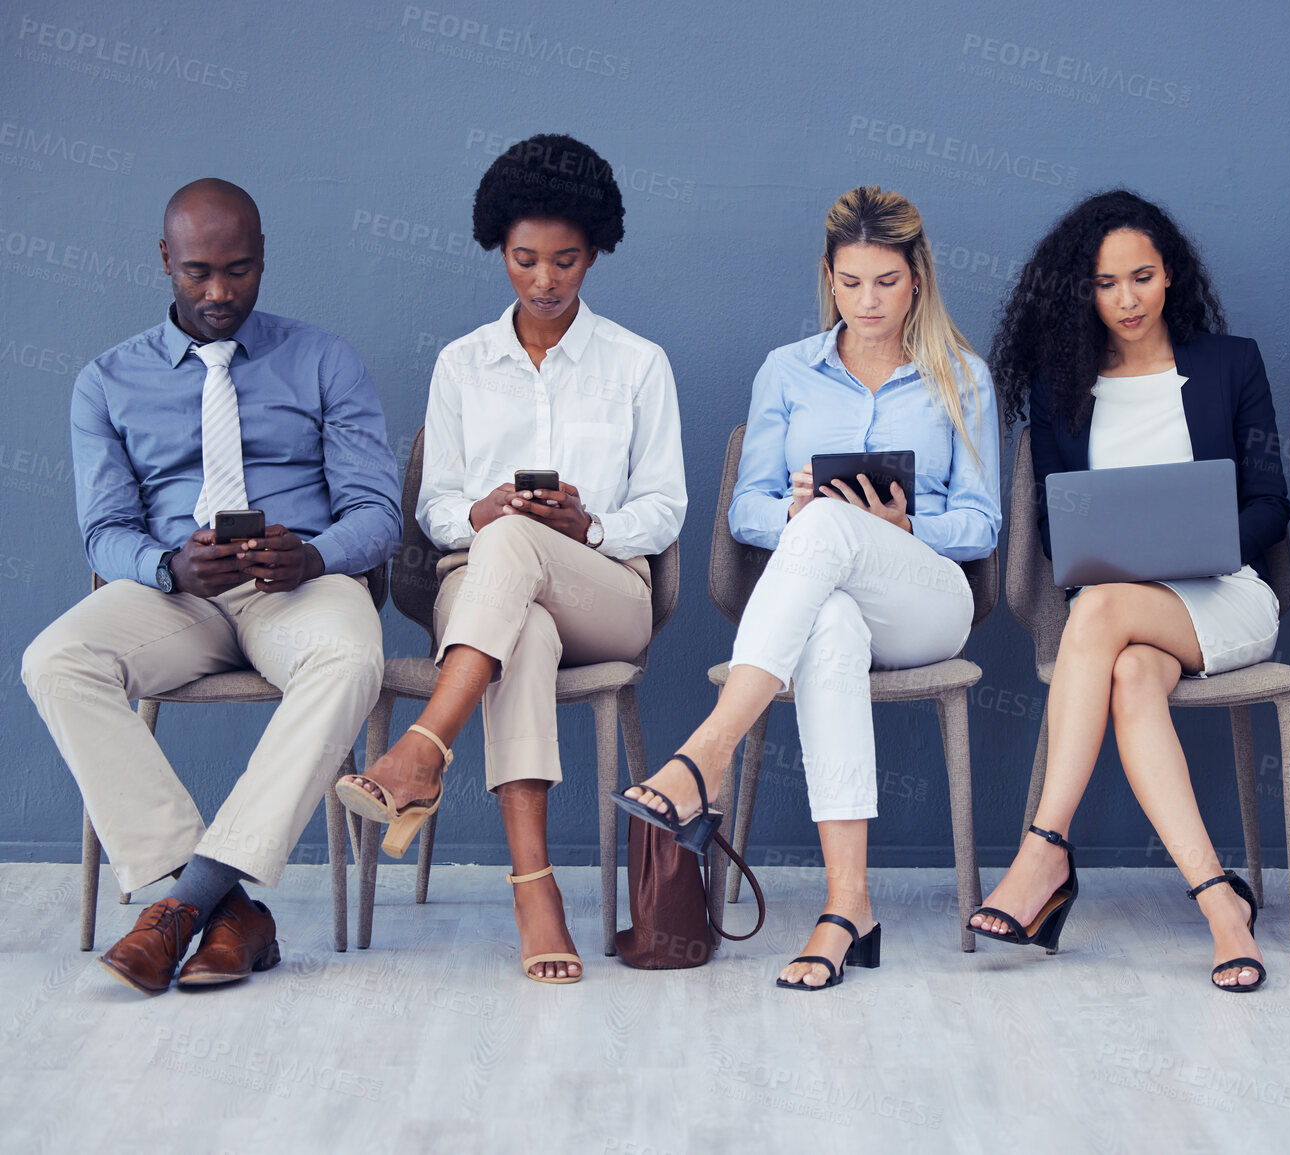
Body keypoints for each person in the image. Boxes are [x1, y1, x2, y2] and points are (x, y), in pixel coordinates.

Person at [613, 185, 999, 990]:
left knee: (825, 531)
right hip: (833, 597)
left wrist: (900, 528)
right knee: (824, 621)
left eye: (885, 282)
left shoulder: (961, 375)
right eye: (850, 282)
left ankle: (706, 753)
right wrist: (794, 512)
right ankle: (846, 903)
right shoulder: (785, 372)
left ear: (917, 279)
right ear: (827, 277)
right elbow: (745, 508)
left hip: (926, 602)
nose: (867, 301)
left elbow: (983, 522)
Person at [21, 179, 401, 995]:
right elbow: (104, 530)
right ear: (165, 260)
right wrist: (168, 566)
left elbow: (377, 511)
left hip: (297, 583)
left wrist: (314, 554)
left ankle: (184, 905)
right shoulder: (106, 381)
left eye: (240, 270)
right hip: (176, 592)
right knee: (56, 659)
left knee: (348, 657)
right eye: (197, 272)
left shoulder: (324, 359)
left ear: (264, 260)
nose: (220, 292)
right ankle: (230, 908)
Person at [336, 134, 685, 985]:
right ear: (500, 248)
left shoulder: (638, 364)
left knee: (519, 544)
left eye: (565, 260)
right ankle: (537, 893)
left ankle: (421, 753)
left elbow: (666, 507)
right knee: (516, 620)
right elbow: (434, 506)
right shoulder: (462, 364)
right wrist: (480, 512)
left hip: (606, 591)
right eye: (525, 259)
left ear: (594, 253)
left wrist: (588, 525)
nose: (544, 279)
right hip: (483, 591)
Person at [970, 190, 1290, 992]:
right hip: (1119, 618)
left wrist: (1199, 543)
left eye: (1141, 278)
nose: (1126, 300)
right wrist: (1121, 556)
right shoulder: (1059, 385)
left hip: (1224, 596)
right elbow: (1052, 526)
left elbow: (1268, 504)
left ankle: (1044, 849)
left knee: (1101, 609)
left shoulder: (1230, 362)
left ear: (1169, 274)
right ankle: (1221, 907)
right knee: (1129, 670)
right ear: (1082, 292)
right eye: (1106, 284)